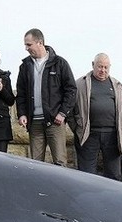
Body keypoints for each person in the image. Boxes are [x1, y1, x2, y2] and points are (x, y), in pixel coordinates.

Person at [15, 28, 76, 165]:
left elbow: (71, 90)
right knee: (35, 165)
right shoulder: (25, 66)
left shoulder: (60, 63)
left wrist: (62, 113)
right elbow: (21, 93)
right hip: (34, 122)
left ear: (40, 42)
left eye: (29, 44)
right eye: (25, 45)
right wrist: (22, 114)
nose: (26, 48)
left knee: (60, 162)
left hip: (55, 121)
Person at [72, 53, 122, 180]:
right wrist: (77, 127)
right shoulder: (80, 84)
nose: (103, 70)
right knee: (86, 174)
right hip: (88, 134)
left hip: (113, 135)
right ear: (93, 65)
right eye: (100, 67)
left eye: (106, 67)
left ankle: (113, 199)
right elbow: (70, 110)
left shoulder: (117, 86)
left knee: (114, 174)